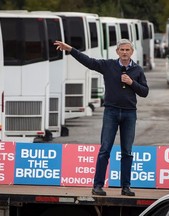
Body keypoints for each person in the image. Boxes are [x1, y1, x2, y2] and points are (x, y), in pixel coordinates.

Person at [54, 39, 149, 196]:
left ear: (132, 52)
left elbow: (144, 92)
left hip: (129, 113)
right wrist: (70, 49)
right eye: (122, 50)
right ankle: (97, 186)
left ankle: (126, 187)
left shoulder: (137, 70)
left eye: (127, 50)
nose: (125, 52)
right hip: (111, 112)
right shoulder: (108, 65)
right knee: (105, 149)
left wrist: (132, 82)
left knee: (127, 151)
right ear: (117, 51)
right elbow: (89, 62)